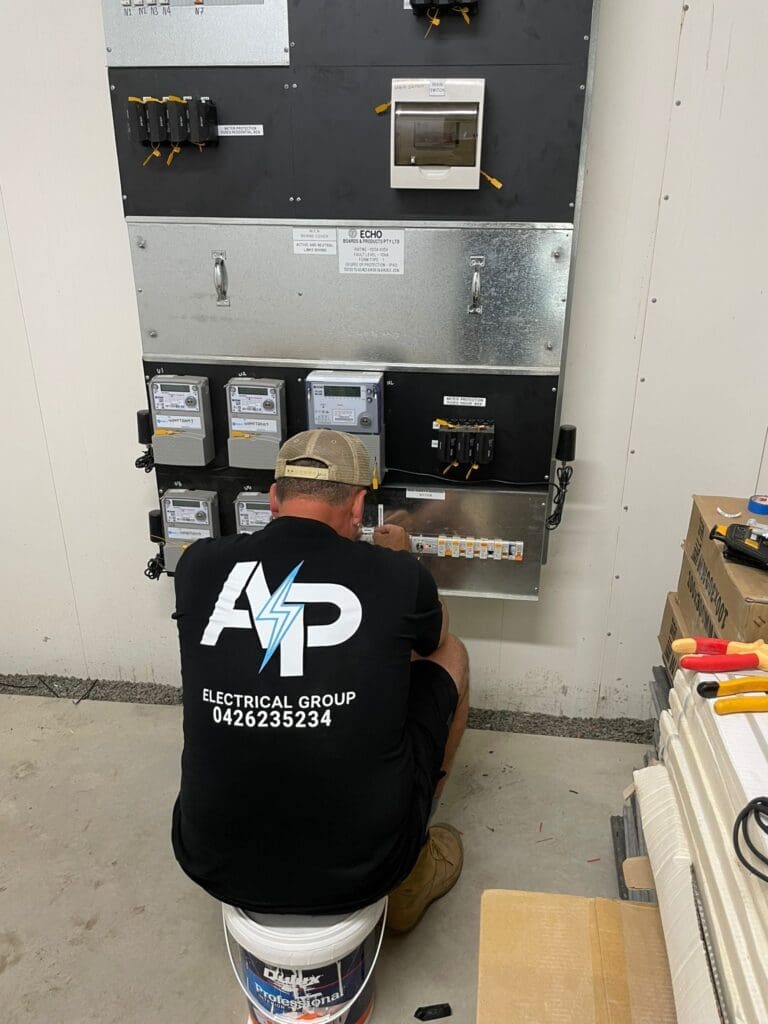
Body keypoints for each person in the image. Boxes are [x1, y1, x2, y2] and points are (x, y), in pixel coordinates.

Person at [171, 429, 470, 933]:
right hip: (370, 866)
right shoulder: (396, 576)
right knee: (453, 654)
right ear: (358, 506)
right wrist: (402, 561)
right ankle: (413, 857)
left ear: (273, 499)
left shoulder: (197, 565)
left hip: (212, 857)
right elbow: (432, 638)